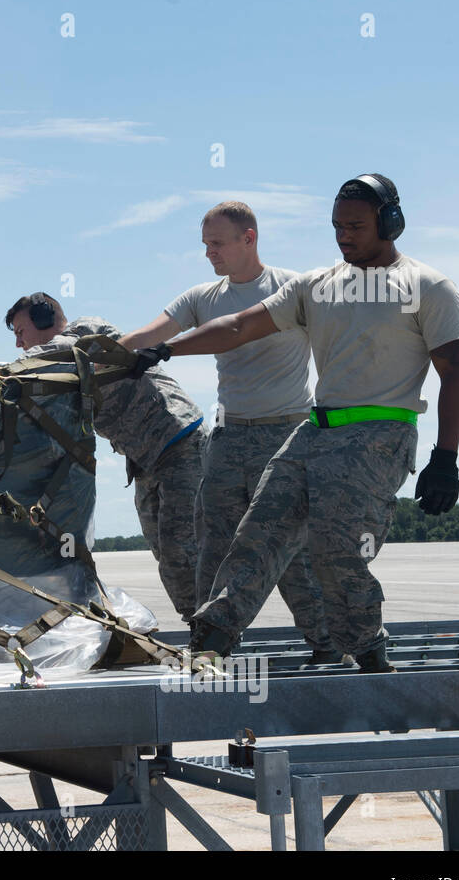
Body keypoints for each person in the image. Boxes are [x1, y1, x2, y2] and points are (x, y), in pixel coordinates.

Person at [123, 174, 459, 672]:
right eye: (336, 226)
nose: (344, 236)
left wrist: (446, 457)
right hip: (315, 430)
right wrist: (166, 349)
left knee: (334, 548)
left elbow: (455, 373)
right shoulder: (316, 285)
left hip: (378, 433)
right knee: (258, 531)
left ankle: (365, 648)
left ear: (391, 222)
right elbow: (240, 325)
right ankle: (212, 638)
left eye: (355, 225)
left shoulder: (427, 287)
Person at [119, 202, 337, 666]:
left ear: (249, 238)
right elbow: (148, 336)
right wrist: (89, 358)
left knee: (289, 550)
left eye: (217, 244)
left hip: (287, 436)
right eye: (205, 245)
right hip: (230, 437)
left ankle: (327, 643)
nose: (209, 253)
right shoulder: (203, 297)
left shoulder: (292, 289)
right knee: (213, 545)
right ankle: (209, 645)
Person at [7, 293, 205, 622]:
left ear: (44, 318)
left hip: (177, 441)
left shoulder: (86, 331)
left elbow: (60, 354)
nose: (19, 343)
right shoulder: (55, 368)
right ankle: (200, 624)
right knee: (163, 548)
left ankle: (210, 629)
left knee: (180, 550)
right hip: (145, 460)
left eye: (19, 331)